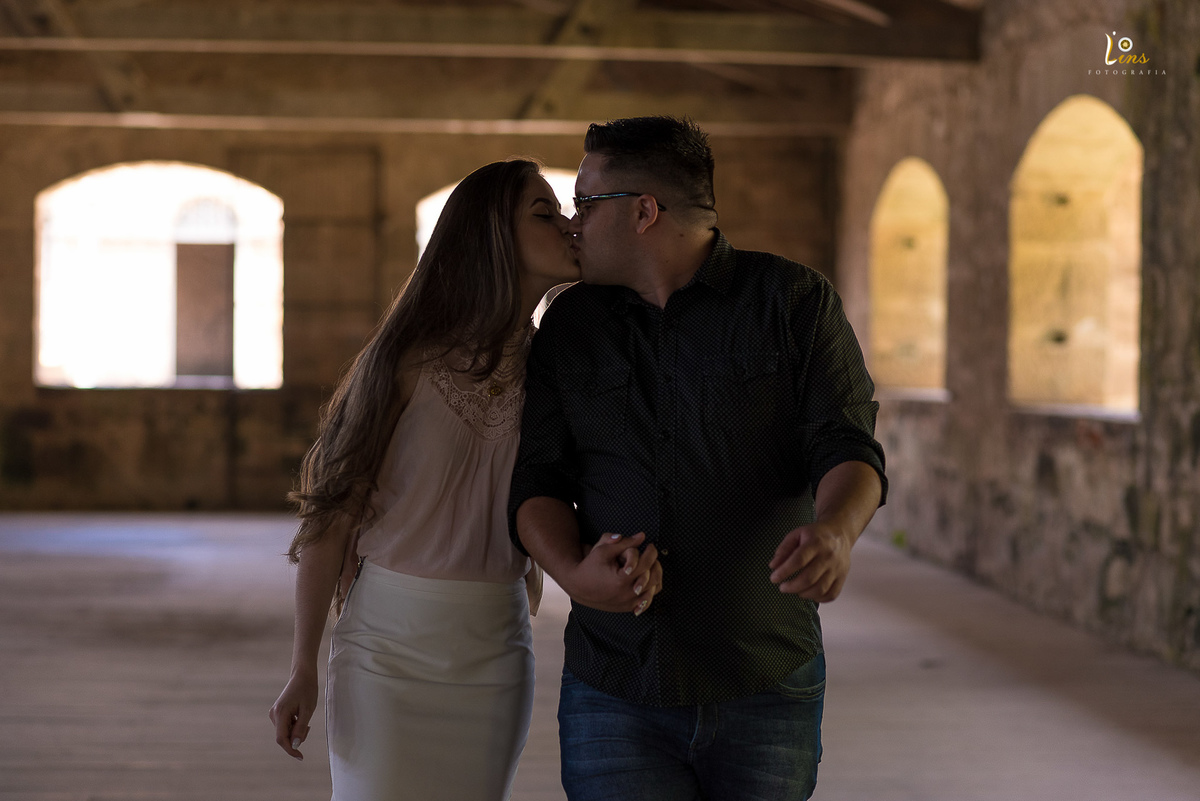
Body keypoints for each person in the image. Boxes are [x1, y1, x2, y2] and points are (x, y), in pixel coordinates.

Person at [508, 117, 887, 801]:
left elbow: (848, 444)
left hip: (763, 672)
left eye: (585, 203)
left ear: (643, 212)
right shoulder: (570, 324)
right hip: (615, 680)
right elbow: (538, 478)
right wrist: (572, 574)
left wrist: (837, 530)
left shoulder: (794, 302)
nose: (572, 222)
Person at [269, 158, 594, 801]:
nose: (567, 226)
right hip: (387, 648)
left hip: (497, 646)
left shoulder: (558, 368)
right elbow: (330, 516)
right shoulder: (406, 359)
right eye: (544, 212)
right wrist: (303, 665)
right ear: (490, 235)